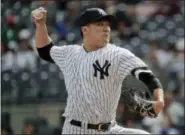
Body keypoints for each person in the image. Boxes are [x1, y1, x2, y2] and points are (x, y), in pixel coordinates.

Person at [32, 7, 164, 134]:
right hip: (76, 130)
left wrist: (159, 99)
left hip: (109, 130)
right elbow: (45, 51)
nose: (106, 28)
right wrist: (40, 25)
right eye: (100, 24)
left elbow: (147, 76)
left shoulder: (118, 54)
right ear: (85, 29)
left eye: (107, 24)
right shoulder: (70, 53)